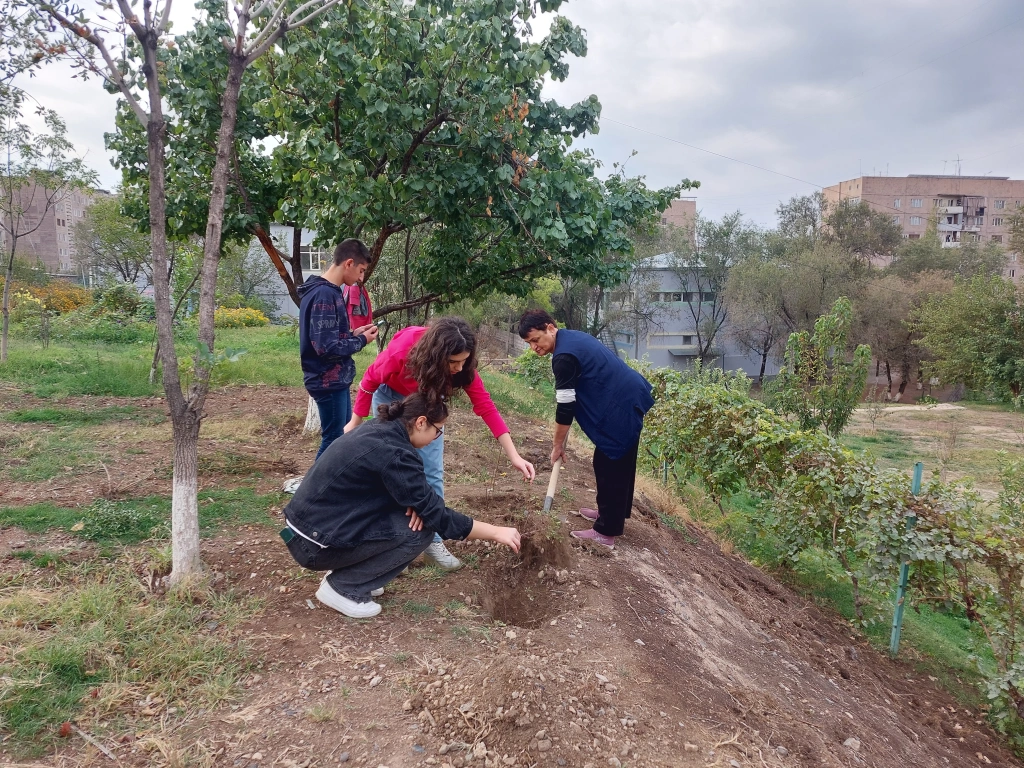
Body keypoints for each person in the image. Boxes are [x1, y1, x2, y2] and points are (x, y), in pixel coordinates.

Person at [281, 394, 522, 618]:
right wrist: (496, 532)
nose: (436, 439)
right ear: (420, 422)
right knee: (422, 530)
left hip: (306, 527)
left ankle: (359, 577)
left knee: (415, 516)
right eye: (437, 432)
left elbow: (421, 497)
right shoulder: (396, 454)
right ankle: (345, 587)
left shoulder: (380, 429)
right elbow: (438, 517)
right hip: (315, 543)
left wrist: (420, 506)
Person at [344, 317, 536, 571]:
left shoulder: (462, 369)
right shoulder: (404, 351)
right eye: (453, 362)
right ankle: (388, 542)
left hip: (429, 400)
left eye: (463, 360)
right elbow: (369, 382)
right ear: (436, 355)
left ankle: (431, 541)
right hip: (392, 397)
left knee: (431, 471)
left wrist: (514, 455)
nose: (458, 367)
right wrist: (354, 423)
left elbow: (486, 407)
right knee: (387, 470)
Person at [518, 309, 654, 550]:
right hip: (627, 395)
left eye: (536, 340)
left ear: (550, 327)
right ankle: (608, 513)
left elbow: (565, 407)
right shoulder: (570, 338)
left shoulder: (563, 357)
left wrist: (557, 445)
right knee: (609, 461)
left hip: (620, 405)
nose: (534, 348)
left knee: (612, 464)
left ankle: (606, 532)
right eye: (529, 343)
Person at [297, 238, 379, 461]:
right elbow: (326, 347)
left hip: (334, 379)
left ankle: (328, 490)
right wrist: (361, 341)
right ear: (349, 263)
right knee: (333, 439)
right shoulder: (325, 294)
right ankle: (313, 492)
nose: (361, 278)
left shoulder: (324, 291)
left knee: (341, 438)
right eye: (361, 271)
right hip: (327, 380)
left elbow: (326, 338)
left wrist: (353, 335)